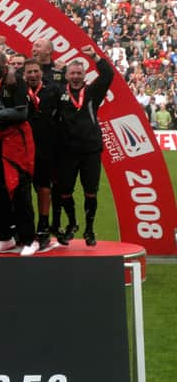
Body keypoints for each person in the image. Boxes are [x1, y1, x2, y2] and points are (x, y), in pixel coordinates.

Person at [56, 45, 114, 246]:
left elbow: (108, 74)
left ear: (84, 75)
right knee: (64, 191)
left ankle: (89, 229)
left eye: (79, 73)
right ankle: (72, 223)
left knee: (91, 192)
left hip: (90, 150)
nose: (75, 76)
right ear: (66, 75)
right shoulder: (58, 93)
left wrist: (95, 57)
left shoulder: (92, 92)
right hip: (66, 151)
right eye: (72, 73)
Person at [0, 50, 37, 256]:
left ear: (5, 64)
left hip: (16, 142)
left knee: (20, 190)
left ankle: (29, 239)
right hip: (0, 140)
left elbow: (22, 112)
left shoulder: (16, 81)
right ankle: (5, 236)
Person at [23, 58, 60, 248]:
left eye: (35, 71)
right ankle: (23, 228)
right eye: (29, 72)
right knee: (22, 189)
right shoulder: (18, 90)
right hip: (21, 147)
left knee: (44, 187)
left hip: (45, 147)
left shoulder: (52, 90)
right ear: (23, 74)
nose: (33, 75)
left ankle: (43, 225)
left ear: (41, 72)